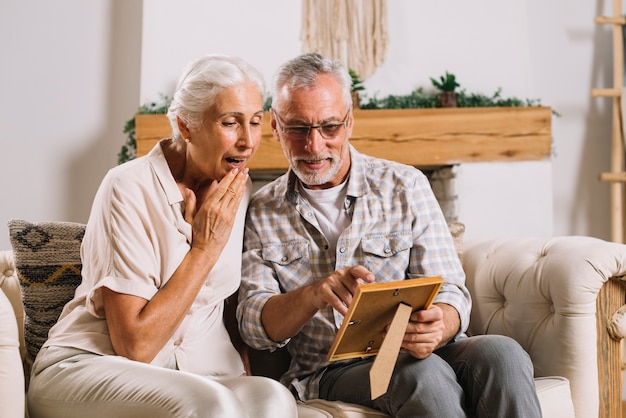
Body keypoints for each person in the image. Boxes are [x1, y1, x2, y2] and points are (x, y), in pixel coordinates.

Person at [237, 52, 542, 418]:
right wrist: (313, 295)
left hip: (422, 350)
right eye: (298, 129)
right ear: (275, 125)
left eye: (330, 128)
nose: (314, 147)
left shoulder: (405, 185)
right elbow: (254, 326)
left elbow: (450, 289)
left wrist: (442, 323)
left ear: (350, 122)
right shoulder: (261, 209)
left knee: (504, 354)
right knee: (422, 375)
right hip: (333, 369)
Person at [27, 55, 297, 418]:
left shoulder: (237, 186)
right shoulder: (127, 186)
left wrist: (242, 372)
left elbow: (224, 304)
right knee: (209, 404)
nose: (248, 141)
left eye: (254, 122)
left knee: (272, 399)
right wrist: (203, 248)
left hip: (197, 374)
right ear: (186, 126)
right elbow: (135, 346)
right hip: (92, 366)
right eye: (230, 123)